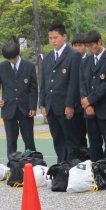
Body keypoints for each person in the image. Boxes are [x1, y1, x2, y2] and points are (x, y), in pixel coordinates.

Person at [39, 24, 84, 163]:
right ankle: (61, 165)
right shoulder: (47, 57)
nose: (53, 41)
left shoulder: (73, 55)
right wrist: (42, 104)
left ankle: (70, 166)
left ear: (64, 36)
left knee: (71, 139)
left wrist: (70, 105)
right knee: (57, 138)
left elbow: (74, 83)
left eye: (55, 37)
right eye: (50, 38)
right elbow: (44, 82)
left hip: (65, 105)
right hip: (51, 105)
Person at [0, 42, 38, 158]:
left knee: (29, 140)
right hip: (8, 110)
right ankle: (12, 164)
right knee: (11, 141)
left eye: (14, 59)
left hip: (26, 109)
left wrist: (32, 107)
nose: (12, 61)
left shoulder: (29, 66)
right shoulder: (1, 67)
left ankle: (32, 162)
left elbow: (33, 89)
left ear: (19, 53)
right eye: (9, 60)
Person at [80, 30, 106, 161]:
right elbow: (82, 83)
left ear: (99, 42)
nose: (89, 49)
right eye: (87, 46)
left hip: (104, 109)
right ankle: (96, 169)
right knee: (94, 145)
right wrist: (86, 104)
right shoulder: (85, 61)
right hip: (89, 111)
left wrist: (90, 100)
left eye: (92, 45)